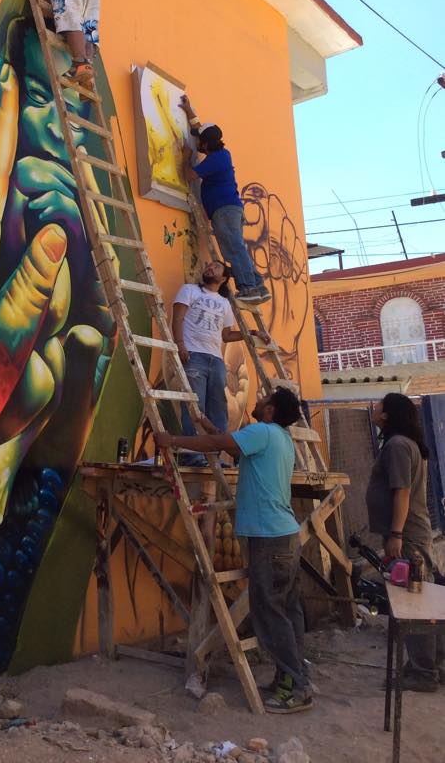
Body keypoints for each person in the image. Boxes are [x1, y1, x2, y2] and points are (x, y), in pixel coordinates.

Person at [156, 386, 312, 714]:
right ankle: (292, 678)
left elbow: (218, 445)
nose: (259, 398)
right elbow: (231, 446)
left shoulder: (262, 432)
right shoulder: (280, 438)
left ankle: (296, 688)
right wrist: (212, 428)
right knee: (287, 611)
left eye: (265, 398)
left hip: (269, 537)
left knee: (270, 614)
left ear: (270, 410)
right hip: (284, 535)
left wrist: (172, 441)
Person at [365, 392, 445, 691]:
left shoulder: (397, 445)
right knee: (425, 599)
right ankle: (431, 664)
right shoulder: (405, 444)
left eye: (379, 405)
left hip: (408, 536)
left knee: (414, 603)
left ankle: (423, 672)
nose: (375, 408)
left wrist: (396, 534)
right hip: (413, 532)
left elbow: (402, 492)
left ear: (387, 414)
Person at [179, 94, 270, 305]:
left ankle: (248, 288)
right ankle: (258, 285)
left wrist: (185, 157)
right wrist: (189, 110)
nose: (197, 143)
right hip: (231, 210)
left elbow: (190, 175)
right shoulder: (221, 153)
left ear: (205, 144)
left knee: (233, 250)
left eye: (200, 141)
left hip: (224, 210)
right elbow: (199, 128)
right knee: (237, 248)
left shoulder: (216, 160)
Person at [173, 260, 262, 464]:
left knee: (218, 410)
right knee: (194, 407)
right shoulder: (189, 290)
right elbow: (177, 319)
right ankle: (191, 456)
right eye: (209, 266)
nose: (210, 268)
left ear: (223, 278)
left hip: (216, 360)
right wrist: (180, 344)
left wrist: (252, 333)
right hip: (193, 355)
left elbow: (226, 335)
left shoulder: (224, 303)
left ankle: (215, 457)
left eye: (216, 267)